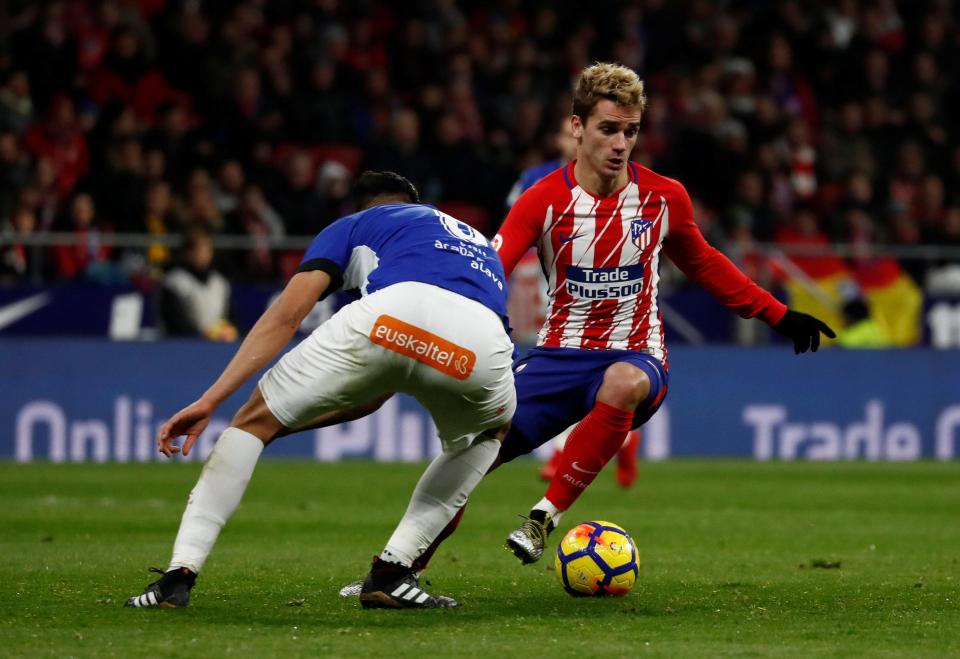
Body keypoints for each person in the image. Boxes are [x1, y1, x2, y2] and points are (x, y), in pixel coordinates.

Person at [358, 62, 834, 578]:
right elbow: (489, 269)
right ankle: (395, 570)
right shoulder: (541, 202)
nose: (621, 144)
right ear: (578, 127)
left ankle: (544, 516)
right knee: (468, 459)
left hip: (638, 354)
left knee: (622, 382)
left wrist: (778, 315)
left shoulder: (663, 197)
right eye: (609, 129)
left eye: (630, 131)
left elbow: (704, 263)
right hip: (557, 356)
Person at [126, 171, 515, 610]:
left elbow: (286, 317)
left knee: (251, 421)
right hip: (482, 342)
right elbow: (376, 392)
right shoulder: (477, 243)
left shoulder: (355, 225)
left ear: (366, 206)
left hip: (394, 313)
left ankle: (178, 577)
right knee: (487, 437)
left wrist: (225, 408)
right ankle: (392, 573)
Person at [506, 116, 642, 488]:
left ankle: (567, 454)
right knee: (557, 368)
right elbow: (516, 229)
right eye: (567, 135)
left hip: (588, 292)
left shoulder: (615, 180)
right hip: (540, 283)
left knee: (575, 369)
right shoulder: (535, 179)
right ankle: (621, 440)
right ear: (563, 137)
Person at [159, 227, 237, 341]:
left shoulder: (220, 282)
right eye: (201, 250)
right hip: (184, 345)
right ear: (188, 253)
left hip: (218, 343)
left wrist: (226, 331)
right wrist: (203, 336)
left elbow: (230, 317)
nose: (206, 255)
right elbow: (174, 323)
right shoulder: (175, 282)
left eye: (208, 250)